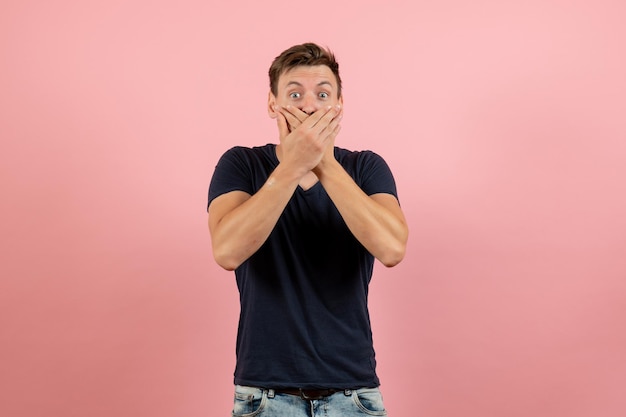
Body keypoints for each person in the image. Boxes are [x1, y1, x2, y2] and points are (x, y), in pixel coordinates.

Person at [207, 43, 408, 417]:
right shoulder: (241, 164)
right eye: (295, 94)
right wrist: (291, 167)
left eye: (322, 94)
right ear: (272, 104)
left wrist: (323, 165)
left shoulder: (366, 167)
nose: (309, 105)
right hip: (263, 396)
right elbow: (227, 251)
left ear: (339, 104)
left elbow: (393, 248)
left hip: (354, 395)